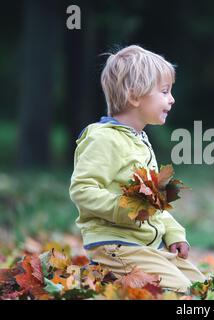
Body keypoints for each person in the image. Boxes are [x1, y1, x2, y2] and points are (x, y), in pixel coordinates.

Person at [69, 45, 206, 293]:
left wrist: (174, 233)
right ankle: (107, 282)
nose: (172, 99)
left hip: (144, 247)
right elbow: (82, 190)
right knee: (180, 292)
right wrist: (126, 210)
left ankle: (114, 285)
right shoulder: (103, 139)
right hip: (115, 246)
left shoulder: (139, 140)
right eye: (164, 91)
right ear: (134, 97)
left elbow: (152, 202)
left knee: (201, 287)